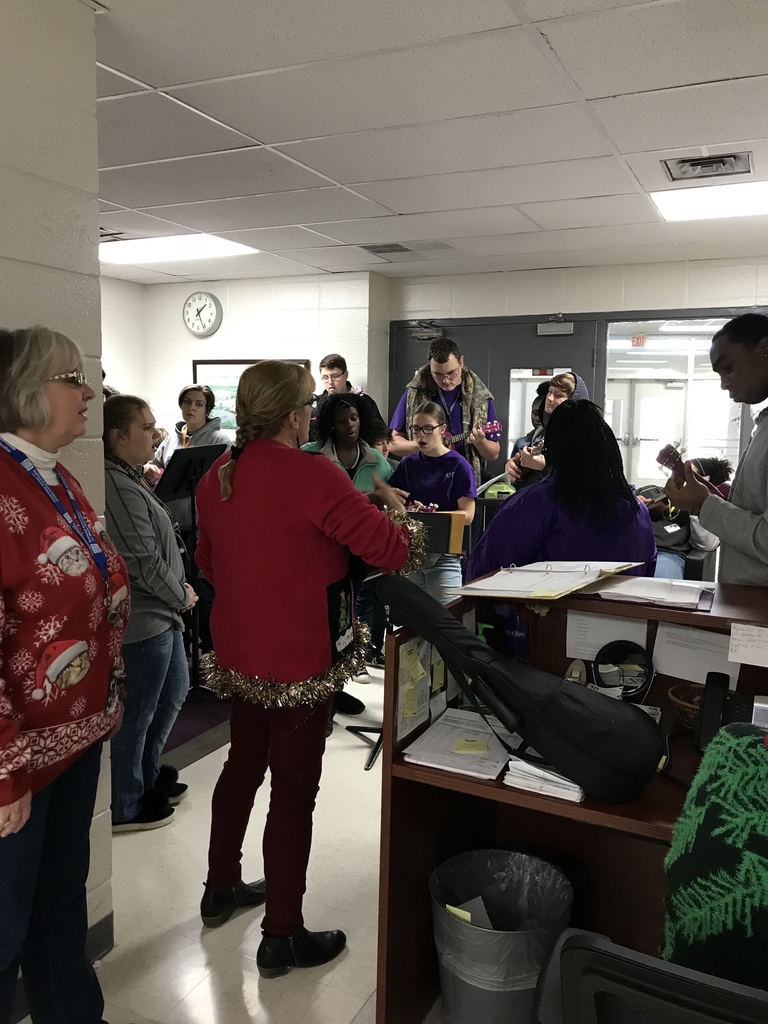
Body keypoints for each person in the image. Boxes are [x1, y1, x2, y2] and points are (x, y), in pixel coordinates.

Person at [194, 360, 424, 977]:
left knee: (242, 766)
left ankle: (220, 886)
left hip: (240, 652)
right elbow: (391, 549)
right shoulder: (313, 473)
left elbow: (209, 566)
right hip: (299, 656)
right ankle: (282, 933)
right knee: (294, 792)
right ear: (297, 415)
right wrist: (387, 511)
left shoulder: (219, 474)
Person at [0, 326, 127, 1023]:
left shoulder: (57, 475)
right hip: (18, 760)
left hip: (74, 740)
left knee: (59, 906)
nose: (88, 392)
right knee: (5, 928)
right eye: (70, 378)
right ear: (23, 393)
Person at [104, 395, 197, 831]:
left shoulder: (131, 477)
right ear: (117, 437)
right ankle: (125, 804)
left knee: (174, 692)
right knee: (139, 711)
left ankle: (145, 775)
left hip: (165, 611)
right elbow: (140, 561)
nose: (155, 432)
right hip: (146, 617)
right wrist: (180, 594)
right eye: (146, 426)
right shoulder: (115, 483)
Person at [468, 401, 656, 581]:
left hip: (551, 613)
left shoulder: (535, 504)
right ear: (608, 447)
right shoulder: (637, 511)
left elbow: (484, 575)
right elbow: (646, 577)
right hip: (623, 612)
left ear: (550, 451)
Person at [665, 313, 768, 586]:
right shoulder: (764, 424)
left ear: (765, 349)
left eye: (728, 367)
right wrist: (707, 495)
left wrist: (705, 504)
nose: (723, 382)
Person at [303, 393, 393, 679]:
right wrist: (369, 496)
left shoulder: (376, 459)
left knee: (360, 611)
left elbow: (388, 498)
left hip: (363, 551)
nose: (350, 425)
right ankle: (330, 685)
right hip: (323, 550)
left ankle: (356, 664)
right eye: (342, 421)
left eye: (353, 418)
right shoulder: (311, 454)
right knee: (328, 618)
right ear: (331, 425)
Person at [152, 384, 230, 656]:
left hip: (202, 526)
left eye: (198, 403)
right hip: (173, 525)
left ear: (208, 409)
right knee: (179, 584)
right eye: (187, 402)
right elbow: (159, 467)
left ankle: (211, 649)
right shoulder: (171, 439)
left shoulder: (220, 440)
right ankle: (187, 645)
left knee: (205, 587)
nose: (192, 408)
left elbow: (228, 484)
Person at [389, 402, 477, 603]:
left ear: (442, 430)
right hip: (411, 554)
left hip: (445, 554)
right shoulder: (408, 464)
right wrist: (407, 509)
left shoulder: (459, 465)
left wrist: (431, 516)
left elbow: (468, 515)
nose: (421, 435)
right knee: (411, 623)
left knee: (444, 621)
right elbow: (395, 504)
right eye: (416, 429)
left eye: (428, 428)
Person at [389, 338, 501, 485]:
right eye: (438, 374)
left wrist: (480, 442)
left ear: (461, 361)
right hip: (421, 479)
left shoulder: (480, 398)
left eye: (452, 373)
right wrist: (423, 446)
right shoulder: (414, 393)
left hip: (462, 480)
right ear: (429, 367)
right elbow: (393, 443)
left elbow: (493, 454)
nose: (446, 380)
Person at [505, 372, 589, 490]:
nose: (549, 398)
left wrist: (544, 467)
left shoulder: (584, 436)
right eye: (550, 391)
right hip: (536, 500)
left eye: (558, 395)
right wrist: (514, 466)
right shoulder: (541, 431)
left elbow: (583, 478)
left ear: (573, 401)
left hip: (563, 505)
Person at [636, 479, 718, 580]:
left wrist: (696, 507)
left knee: (658, 583)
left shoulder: (695, 505)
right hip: (636, 550)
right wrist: (633, 504)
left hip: (667, 554)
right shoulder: (649, 491)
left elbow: (708, 544)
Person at [309, 353, 386, 442]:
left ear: (345, 375)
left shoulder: (364, 401)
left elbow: (380, 434)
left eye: (335, 376)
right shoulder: (316, 405)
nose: (330, 382)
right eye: (325, 377)